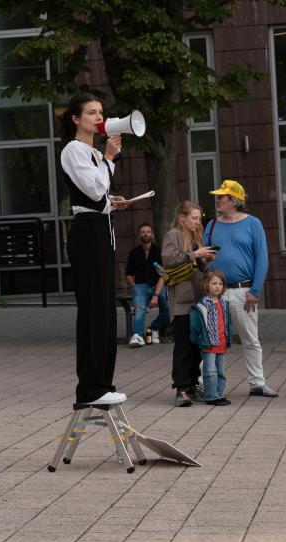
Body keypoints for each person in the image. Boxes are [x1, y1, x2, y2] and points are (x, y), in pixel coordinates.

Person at [60, 93, 130, 406]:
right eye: (91, 112)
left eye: (101, 112)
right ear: (76, 118)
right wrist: (110, 158)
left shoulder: (93, 152)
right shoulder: (73, 149)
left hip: (100, 228)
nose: (99, 117)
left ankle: (102, 383)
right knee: (93, 309)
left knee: (104, 309)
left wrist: (112, 202)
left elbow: (101, 196)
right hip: (87, 232)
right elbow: (95, 188)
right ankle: (90, 388)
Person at [204, 180, 278, 397]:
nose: (217, 200)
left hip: (243, 291)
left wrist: (255, 291)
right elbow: (204, 257)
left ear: (235, 201)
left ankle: (257, 383)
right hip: (216, 291)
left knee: (250, 339)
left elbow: (262, 258)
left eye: (222, 197)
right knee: (211, 339)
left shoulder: (253, 224)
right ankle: (205, 382)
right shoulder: (212, 224)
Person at [162, 201, 217, 407]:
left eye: (199, 218)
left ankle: (192, 386)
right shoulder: (173, 235)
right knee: (183, 346)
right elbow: (168, 260)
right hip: (182, 302)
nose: (197, 222)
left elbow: (198, 269)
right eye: (194, 218)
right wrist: (195, 254)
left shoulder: (195, 237)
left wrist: (206, 261)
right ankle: (181, 389)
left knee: (196, 346)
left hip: (197, 299)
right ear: (182, 217)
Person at [190, 271, 232, 406]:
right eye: (214, 283)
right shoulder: (203, 304)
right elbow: (195, 325)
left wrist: (228, 338)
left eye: (220, 284)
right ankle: (211, 396)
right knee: (210, 371)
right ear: (206, 285)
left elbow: (227, 323)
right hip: (209, 344)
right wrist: (197, 339)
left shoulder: (224, 303)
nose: (217, 286)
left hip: (222, 343)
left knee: (220, 371)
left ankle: (218, 394)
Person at [125, 223, 170, 347]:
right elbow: (128, 274)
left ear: (152, 235)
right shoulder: (133, 253)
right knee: (139, 309)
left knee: (169, 310)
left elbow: (163, 275)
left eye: (148, 231)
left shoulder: (159, 252)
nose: (146, 234)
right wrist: (134, 286)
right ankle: (138, 336)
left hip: (158, 284)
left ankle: (153, 328)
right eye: (143, 232)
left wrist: (156, 295)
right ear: (139, 235)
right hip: (140, 285)